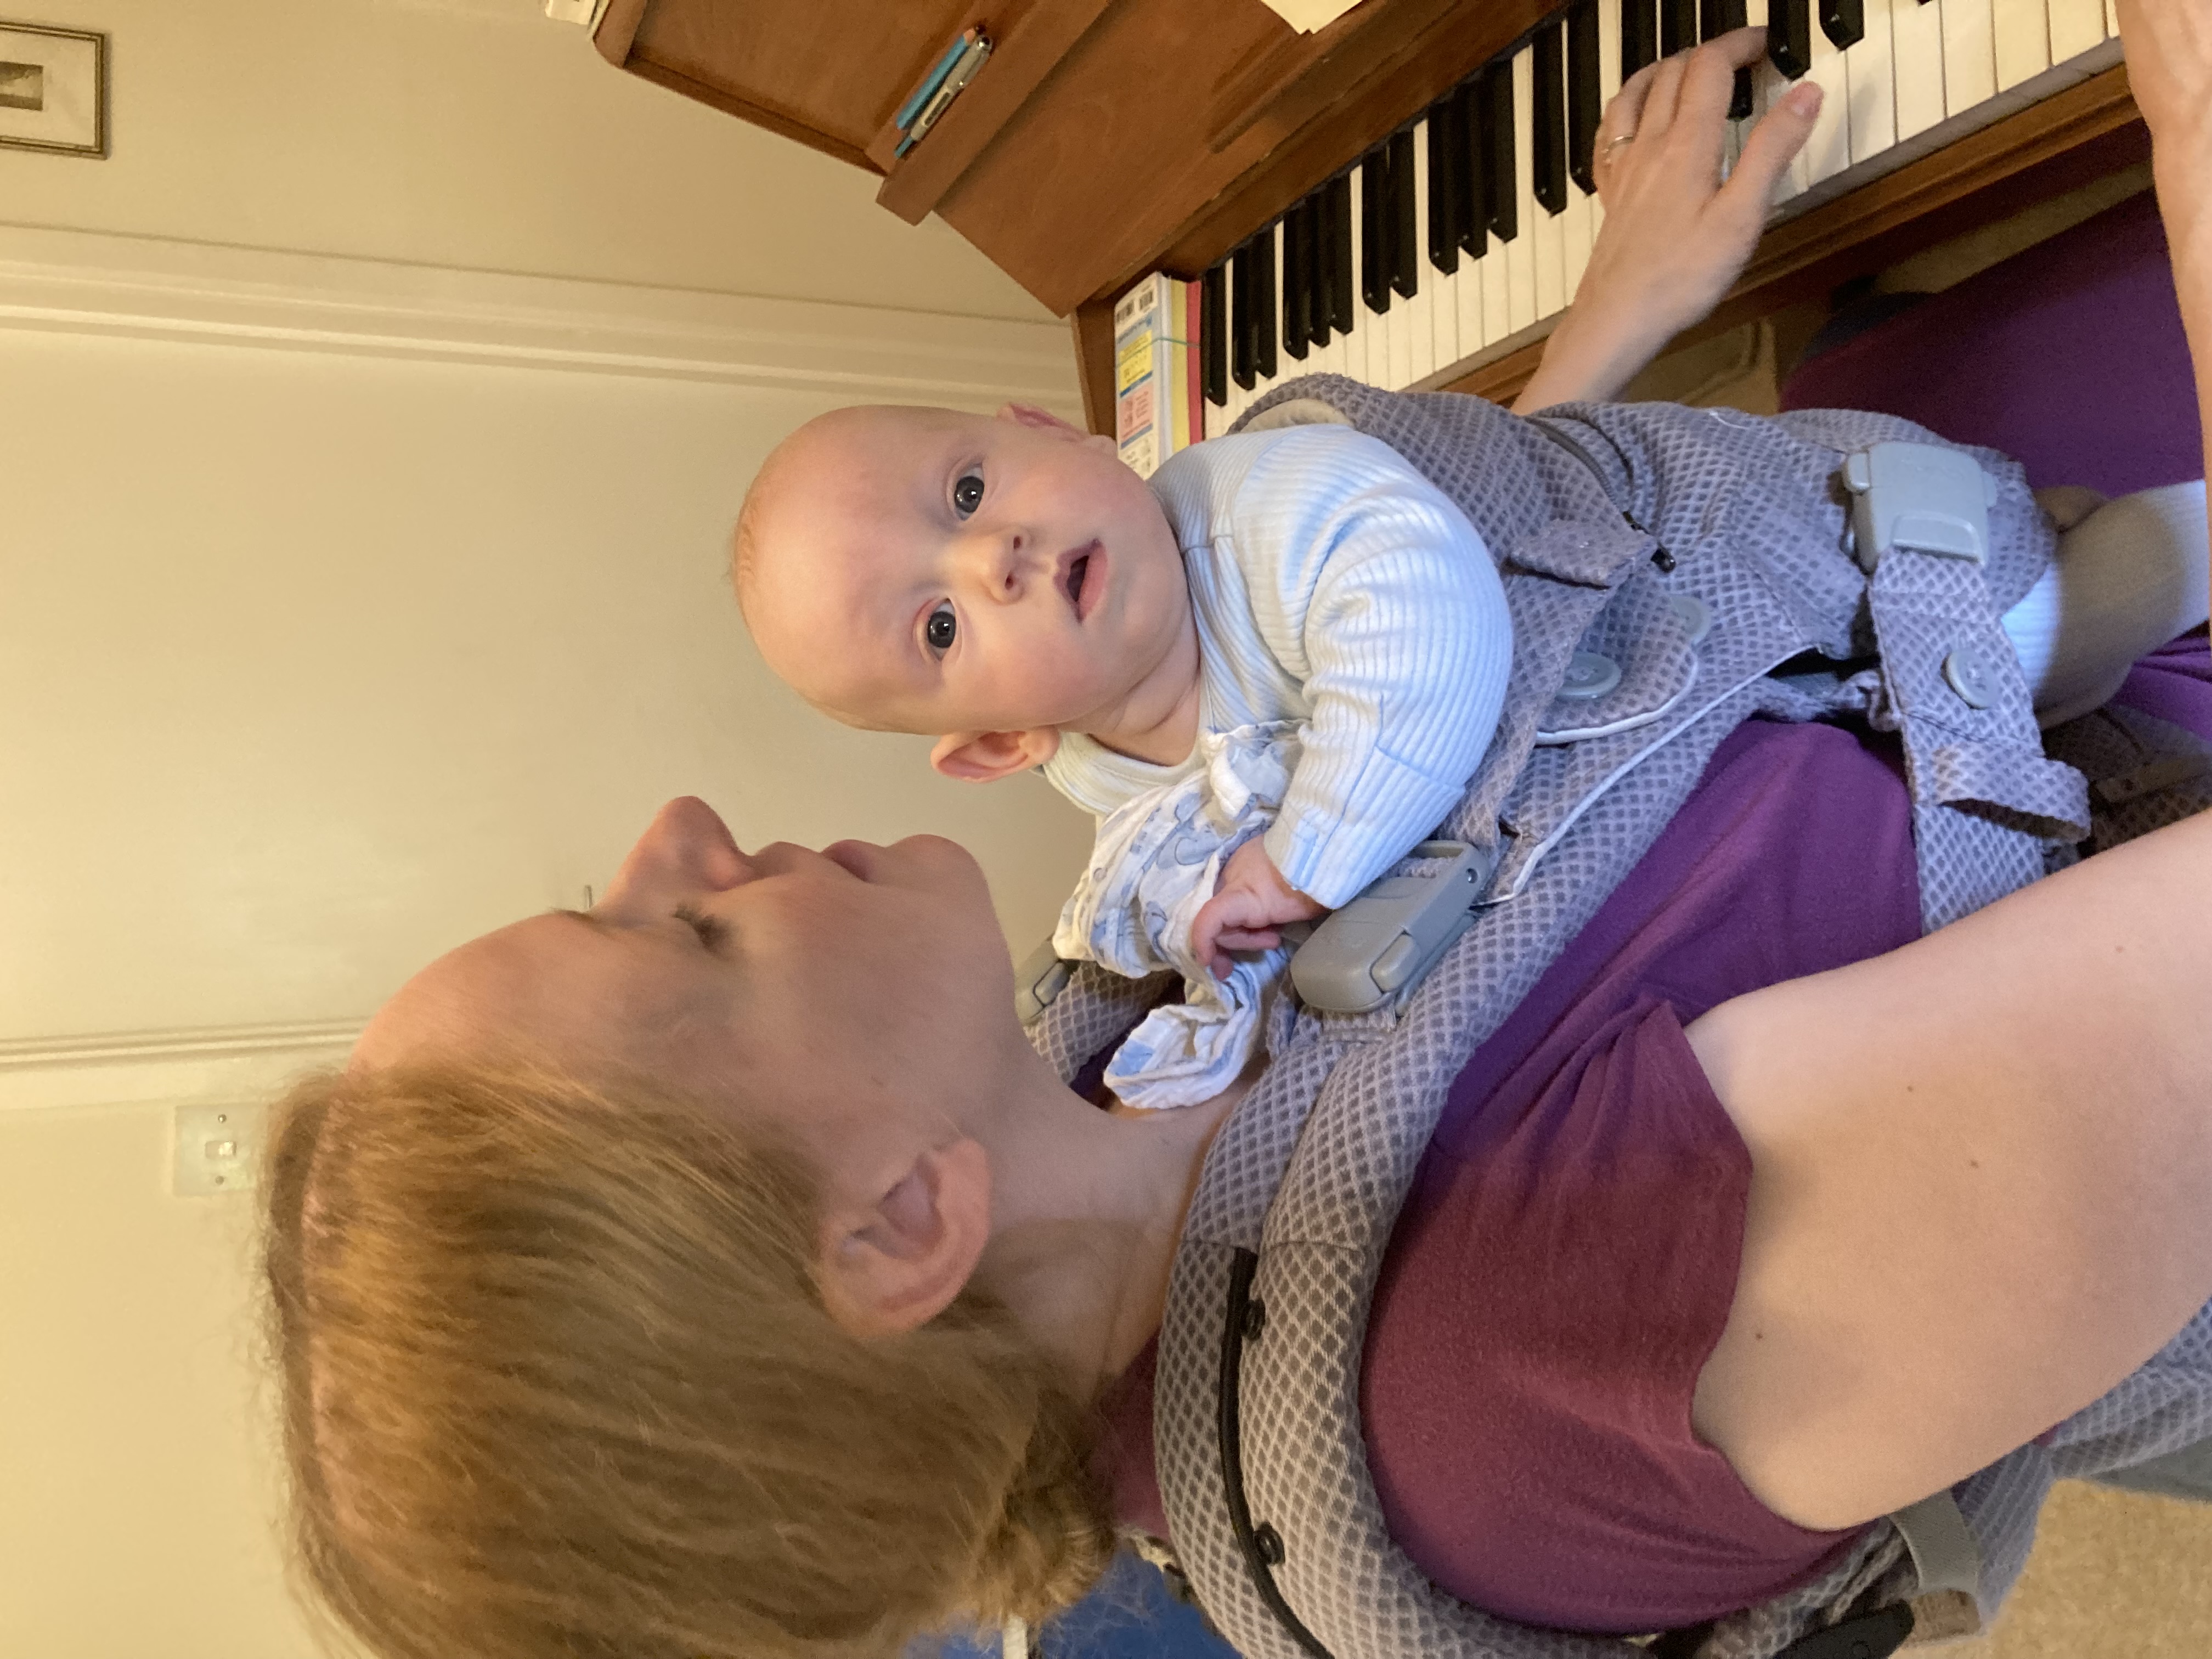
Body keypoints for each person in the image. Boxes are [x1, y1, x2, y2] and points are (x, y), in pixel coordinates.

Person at [260, 14, 2212, 1659]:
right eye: (672, 944)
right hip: (2134, 748)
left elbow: (1397, 770)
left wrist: (1604, 334)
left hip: (1882, 602)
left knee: (1889, 286)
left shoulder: (1123, 1032)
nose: (679, 826)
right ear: (894, 1226)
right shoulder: (1534, 1356)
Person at [733, 24, 2204, 1112]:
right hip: (1778, 758)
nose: (992, 555)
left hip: (1776, 575)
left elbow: (1421, 596)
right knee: (1939, 430)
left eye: (973, 489)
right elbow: (1158, 893)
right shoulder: (1116, 833)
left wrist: (1297, 868)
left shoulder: (1263, 498)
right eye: (934, 623)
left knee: (2023, 563)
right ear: (1003, 746)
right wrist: (1202, 925)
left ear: (1051, 430)